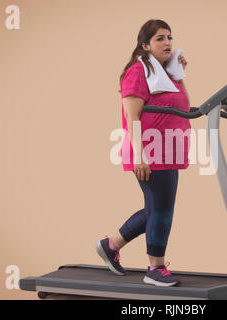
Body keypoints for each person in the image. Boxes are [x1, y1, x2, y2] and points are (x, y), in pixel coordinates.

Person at [96, 19, 190, 287]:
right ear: (145, 45)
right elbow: (131, 116)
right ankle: (155, 268)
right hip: (149, 150)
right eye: (160, 38)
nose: (168, 42)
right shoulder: (138, 72)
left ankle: (109, 245)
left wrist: (180, 74)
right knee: (162, 209)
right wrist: (139, 155)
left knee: (155, 209)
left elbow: (185, 105)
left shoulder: (166, 75)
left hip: (169, 148)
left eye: (170, 37)